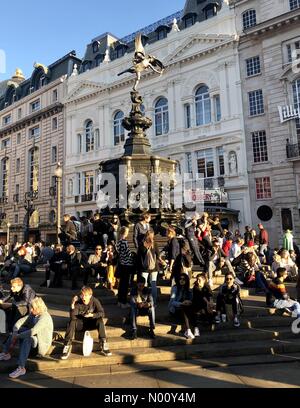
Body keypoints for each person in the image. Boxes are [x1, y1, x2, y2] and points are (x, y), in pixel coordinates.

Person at [0, 297, 53, 379]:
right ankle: (6, 353)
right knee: (18, 331)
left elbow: (33, 331)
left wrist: (17, 336)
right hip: (34, 338)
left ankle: (21, 368)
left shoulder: (45, 318)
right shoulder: (34, 314)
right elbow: (21, 321)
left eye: (32, 308)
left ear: (39, 308)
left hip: (41, 345)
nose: (31, 310)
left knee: (27, 338)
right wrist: (15, 331)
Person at [61, 287, 111, 360]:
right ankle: (67, 345)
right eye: (82, 295)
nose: (83, 297)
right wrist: (72, 305)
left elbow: (102, 313)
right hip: (80, 324)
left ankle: (104, 343)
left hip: (91, 323)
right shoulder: (78, 302)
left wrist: (92, 315)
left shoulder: (95, 301)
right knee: (71, 322)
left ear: (90, 296)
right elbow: (73, 317)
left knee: (100, 320)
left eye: (85, 295)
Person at [136, 231, 161, 305]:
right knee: (153, 284)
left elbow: (138, 257)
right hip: (154, 267)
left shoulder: (142, 245)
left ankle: (145, 301)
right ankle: (154, 302)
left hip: (144, 267)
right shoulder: (155, 244)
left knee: (144, 284)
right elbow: (158, 256)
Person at [168, 274, 194, 339]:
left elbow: (192, 301)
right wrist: (181, 303)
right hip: (175, 309)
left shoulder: (189, 290)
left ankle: (188, 330)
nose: (182, 280)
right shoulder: (175, 288)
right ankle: (188, 330)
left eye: (184, 279)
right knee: (185, 308)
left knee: (187, 308)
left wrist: (189, 302)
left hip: (185, 309)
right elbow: (172, 302)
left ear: (187, 280)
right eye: (180, 279)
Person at [116, 227, 135, 308]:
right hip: (127, 265)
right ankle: (123, 301)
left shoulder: (119, 241)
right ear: (125, 232)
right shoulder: (124, 242)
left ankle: (120, 301)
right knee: (125, 284)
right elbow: (128, 254)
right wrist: (133, 255)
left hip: (121, 264)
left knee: (121, 284)